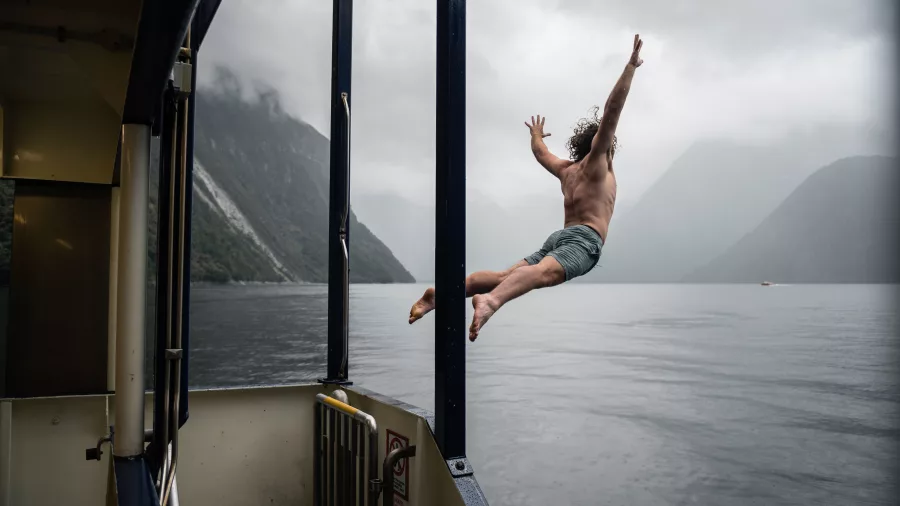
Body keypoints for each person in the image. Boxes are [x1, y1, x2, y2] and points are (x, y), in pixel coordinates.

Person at [409, 34, 645, 341]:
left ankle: (440, 295)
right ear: (602, 144)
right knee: (541, 275)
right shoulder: (598, 163)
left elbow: (540, 153)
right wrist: (630, 67)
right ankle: (489, 302)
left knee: (508, 276)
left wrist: (536, 134)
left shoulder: (567, 171)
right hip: (584, 238)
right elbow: (612, 111)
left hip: (559, 237)